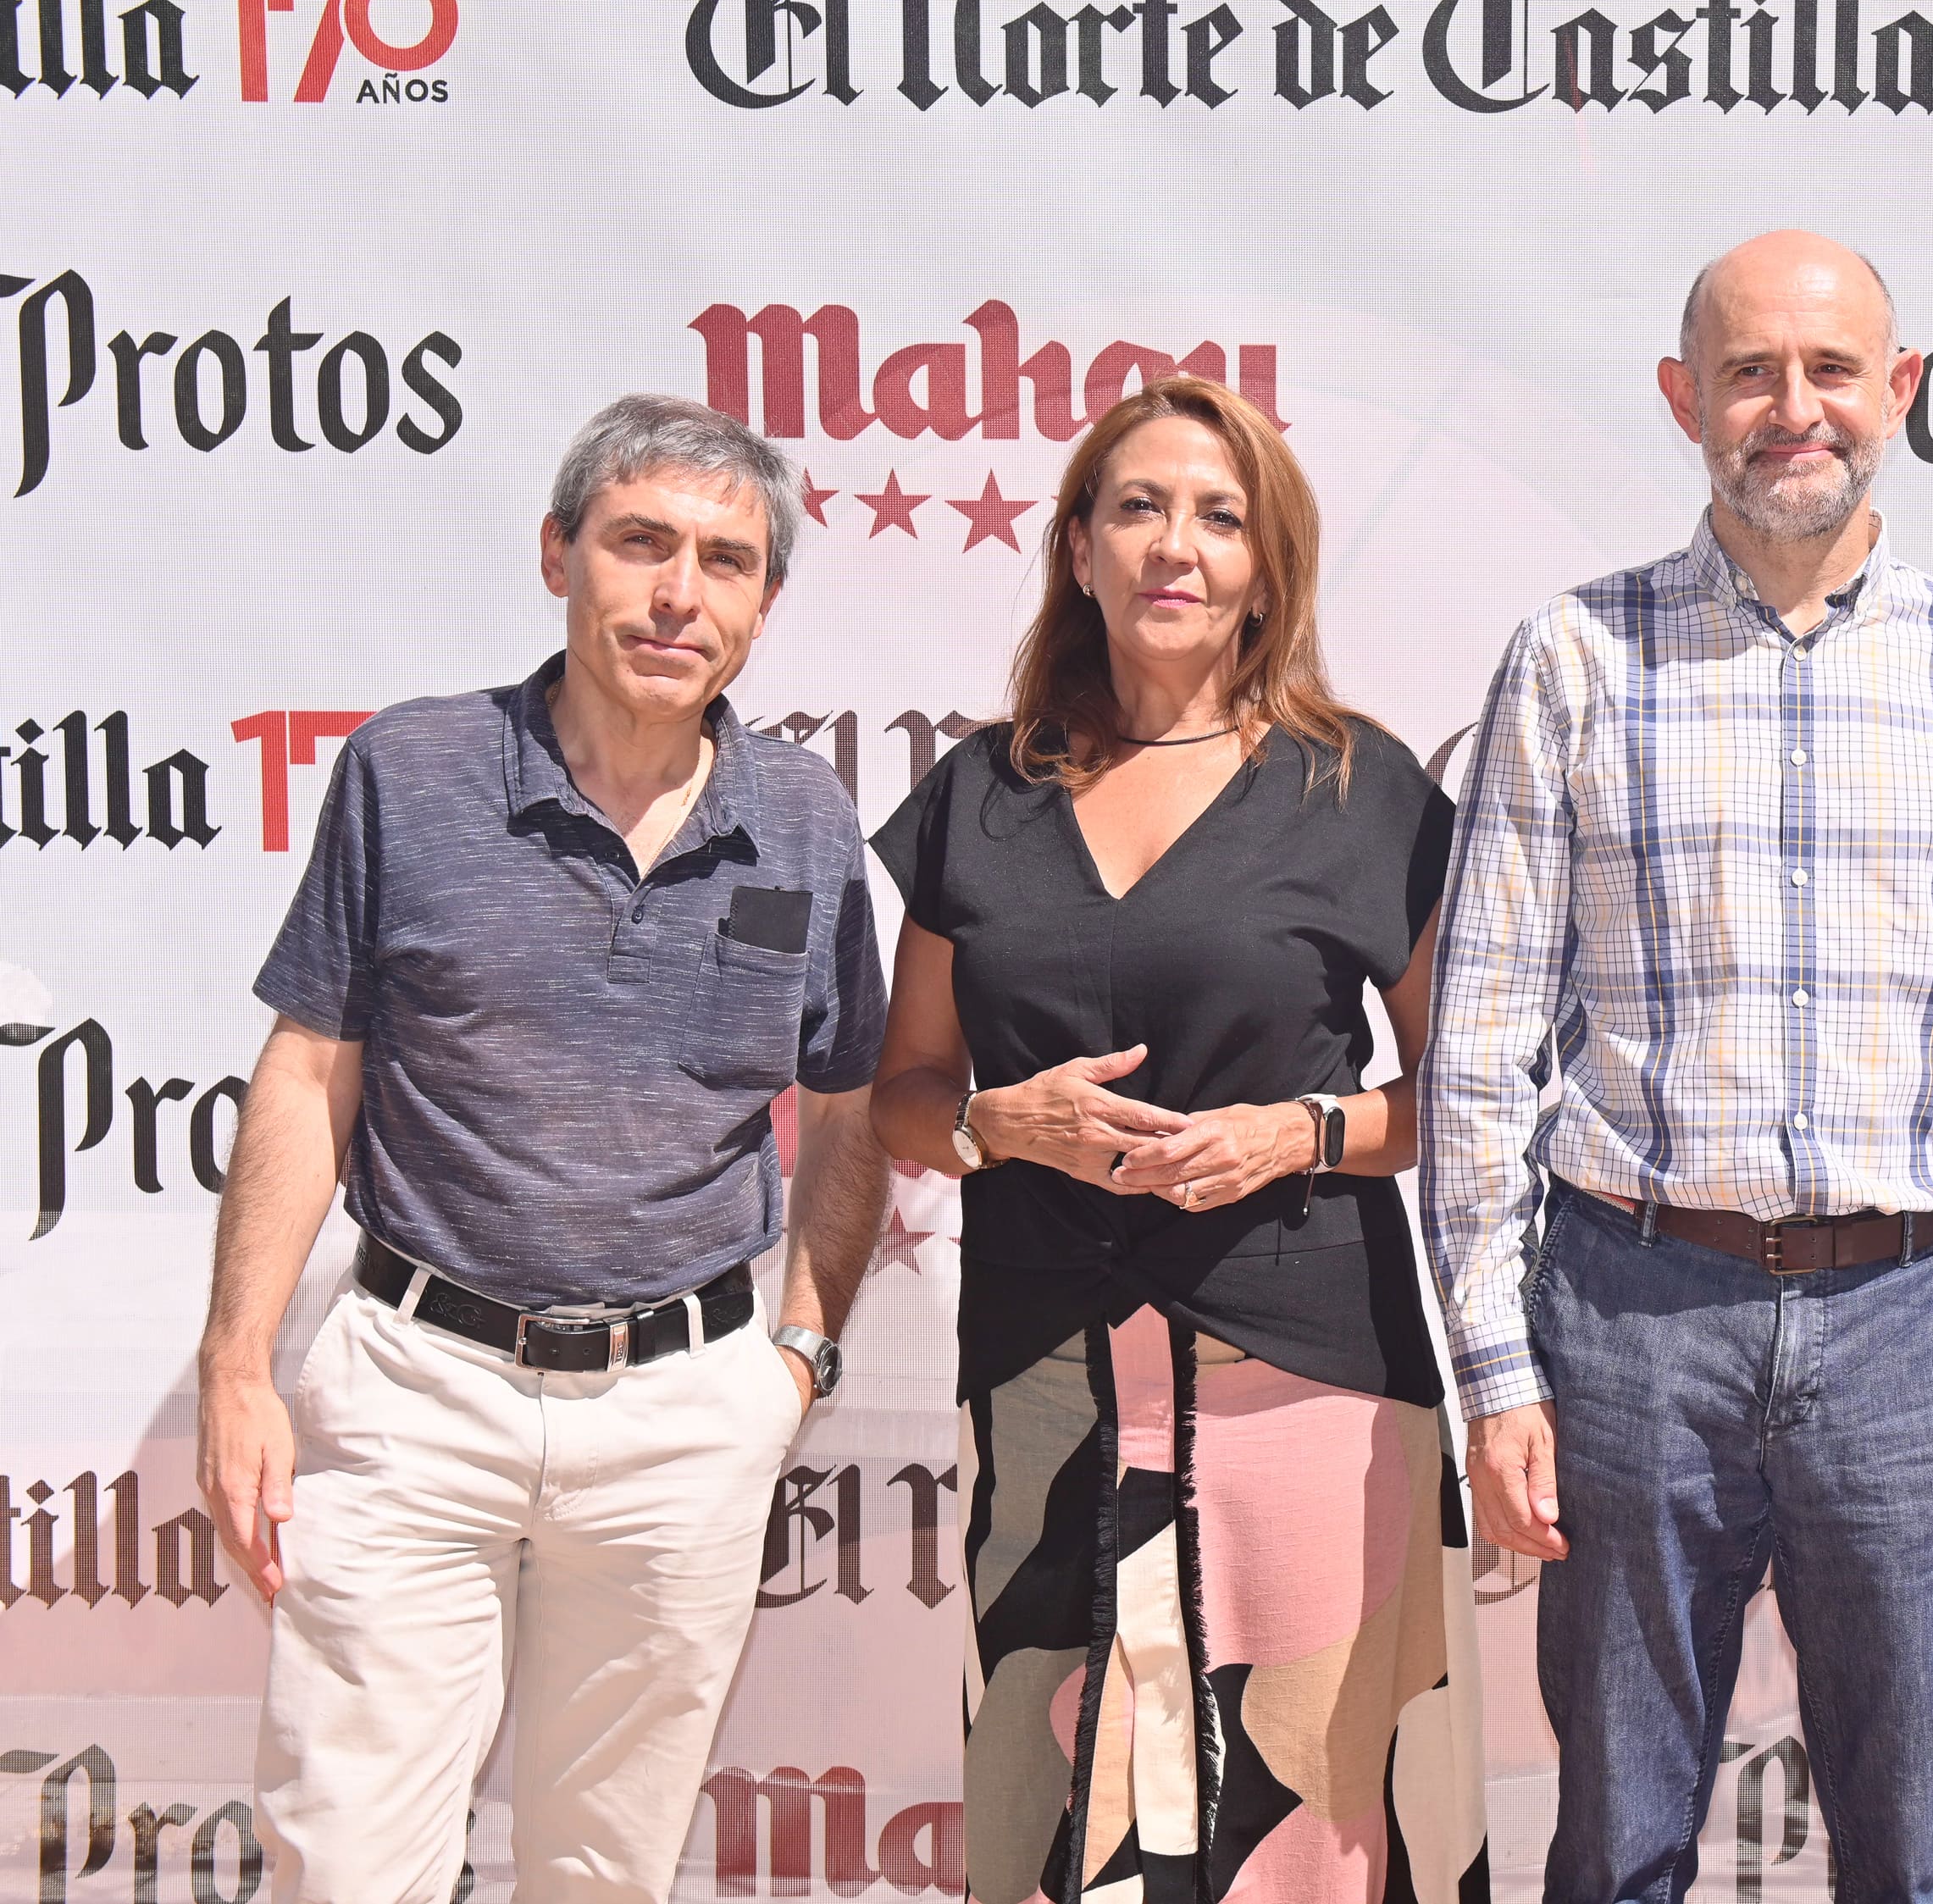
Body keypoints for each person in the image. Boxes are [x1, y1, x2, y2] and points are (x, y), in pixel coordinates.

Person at [1419, 230, 1933, 1902]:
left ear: (1898, 393)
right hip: (1627, 1315)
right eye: (1750, 370)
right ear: (1686, 397)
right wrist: (1494, 1360)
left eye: (1831, 369)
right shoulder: (1576, 659)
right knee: (1611, 1845)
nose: (1791, 406)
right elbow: (1479, 1046)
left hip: (1915, 1324)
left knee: (1917, 1848)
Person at [195, 394, 896, 1896]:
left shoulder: (811, 824)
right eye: (639, 542)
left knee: (607, 1869)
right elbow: (310, 1068)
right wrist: (237, 1365)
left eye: (724, 560)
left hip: (685, 1416)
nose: (677, 593)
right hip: (414, 1395)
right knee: (344, 1856)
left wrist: (798, 1361)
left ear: (764, 605)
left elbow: (844, 1111)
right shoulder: (413, 772)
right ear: (556, 554)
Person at [867, 374, 1487, 1902]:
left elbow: (1465, 1092)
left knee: (1317, 1819)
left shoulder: (1361, 787)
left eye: (1221, 518)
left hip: (1310, 1376)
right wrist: (989, 1125)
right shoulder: (980, 795)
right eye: (1137, 507)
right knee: (1050, 1805)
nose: (1176, 547)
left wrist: (1301, 1130)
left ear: (1268, 567)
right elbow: (901, 1090)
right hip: (1044, 1380)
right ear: (1076, 545)